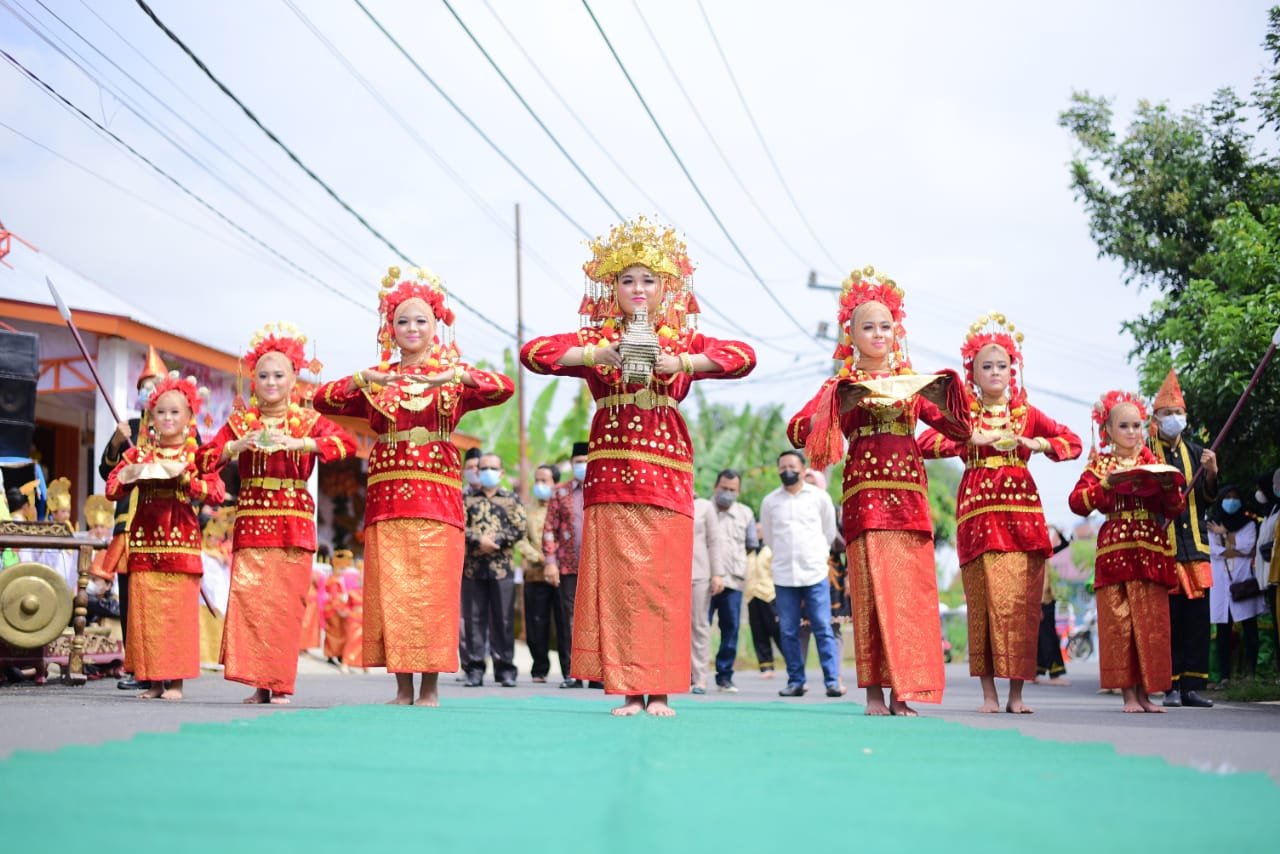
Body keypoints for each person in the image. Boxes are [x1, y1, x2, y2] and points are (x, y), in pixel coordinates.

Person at [521, 217, 756, 716]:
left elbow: (743, 357)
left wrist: (684, 365)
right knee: (622, 584)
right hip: (610, 472)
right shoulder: (596, 337)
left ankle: (662, 691)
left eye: (648, 279)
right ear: (613, 288)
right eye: (627, 279)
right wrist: (596, 352)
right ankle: (629, 691)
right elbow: (533, 354)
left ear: (667, 285)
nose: (638, 289)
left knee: (663, 583)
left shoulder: (681, 342)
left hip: (667, 470)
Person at [314, 266, 514, 706]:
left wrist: (456, 376)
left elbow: (504, 388)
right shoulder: (377, 381)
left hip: (438, 501)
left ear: (435, 326)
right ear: (391, 328)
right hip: (387, 499)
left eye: (421, 320)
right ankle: (402, 688)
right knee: (394, 591)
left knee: (432, 594)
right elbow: (322, 399)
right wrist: (367, 380)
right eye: (403, 320)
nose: (412, 328)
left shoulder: (449, 382)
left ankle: (430, 688)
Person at [788, 267, 971, 716]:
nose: (878, 334)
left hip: (909, 500)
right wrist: (840, 405)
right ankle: (873, 693)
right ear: (850, 334)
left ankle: (904, 692)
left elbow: (959, 430)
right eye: (867, 327)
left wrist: (947, 391)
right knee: (870, 595)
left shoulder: (911, 384)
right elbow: (798, 430)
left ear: (897, 331)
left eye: (885, 326)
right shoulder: (840, 385)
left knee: (910, 595)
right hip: (865, 501)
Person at [920, 313, 1082, 714]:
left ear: (1014, 370)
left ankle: (1016, 696)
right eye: (985, 366)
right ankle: (989, 695)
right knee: (984, 604)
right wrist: (965, 436)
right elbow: (924, 440)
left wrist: (1036, 443)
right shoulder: (966, 414)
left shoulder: (1027, 414)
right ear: (971, 373)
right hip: (977, 515)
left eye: (1002, 365)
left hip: (1022, 518)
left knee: (1022, 607)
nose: (995, 372)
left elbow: (1073, 443)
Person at [197, 322, 356, 703]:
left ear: (293, 377)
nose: (271, 382)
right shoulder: (241, 422)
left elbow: (346, 443)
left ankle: (280, 684)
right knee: (252, 602)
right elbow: (203, 459)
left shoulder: (306, 420)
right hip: (252, 519)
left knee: (285, 605)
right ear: (253, 379)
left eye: (278, 375)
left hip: (294, 520)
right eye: (263, 375)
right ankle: (258, 684)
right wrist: (236, 447)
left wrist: (302, 443)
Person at [104, 372, 226, 700]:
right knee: (146, 612)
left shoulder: (195, 457)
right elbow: (112, 488)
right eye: (161, 412)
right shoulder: (139, 454)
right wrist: (130, 476)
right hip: (143, 543)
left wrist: (188, 481)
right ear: (151, 417)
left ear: (189, 417)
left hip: (182, 542)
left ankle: (176, 682)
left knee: (177, 613)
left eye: (175, 412)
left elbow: (216, 491)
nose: (168, 418)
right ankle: (154, 680)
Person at [1068, 390, 1185, 713]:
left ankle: (1147, 694)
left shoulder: (1153, 462)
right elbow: (1077, 503)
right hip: (1115, 551)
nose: (1132, 432)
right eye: (1124, 426)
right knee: (1119, 624)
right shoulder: (1100, 465)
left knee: (1151, 623)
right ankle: (1128, 696)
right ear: (1108, 431)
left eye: (1136, 425)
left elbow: (1175, 508)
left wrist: (1167, 488)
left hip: (1149, 550)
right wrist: (1105, 485)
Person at [1148, 370, 1218, 708]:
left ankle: (1192, 686)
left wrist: (1213, 474)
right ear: (1156, 418)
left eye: (1178, 413)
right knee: (1169, 620)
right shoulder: (1148, 454)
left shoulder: (1198, 453)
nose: (1173, 419)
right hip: (1165, 548)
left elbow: (1208, 499)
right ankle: (1170, 685)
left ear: (1185, 417)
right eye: (1167, 414)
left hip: (1197, 549)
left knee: (1196, 620)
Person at [98, 345, 166, 691]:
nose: (150, 391)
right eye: (146, 385)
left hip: (166, 528)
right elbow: (105, 472)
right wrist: (115, 441)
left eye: (156, 384)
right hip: (129, 525)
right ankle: (134, 667)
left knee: (162, 598)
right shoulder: (131, 427)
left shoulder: (179, 428)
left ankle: (166, 666)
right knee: (129, 599)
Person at [758, 450, 841, 698]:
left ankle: (832, 681)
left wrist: (816, 555)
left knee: (823, 627)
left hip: (814, 572)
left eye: (792, 466)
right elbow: (770, 537)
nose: (787, 471)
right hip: (784, 575)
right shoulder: (770, 501)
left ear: (804, 469)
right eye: (782, 467)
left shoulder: (819, 497)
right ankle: (796, 681)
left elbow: (828, 532)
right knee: (788, 630)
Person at [461, 453, 526, 687]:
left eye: (492, 467)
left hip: (502, 569)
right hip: (472, 569)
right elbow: (459, 526)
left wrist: (496, 539)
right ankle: (474, 669)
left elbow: (520, 527)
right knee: (473, 620)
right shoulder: (466, 500)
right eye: (483, 467)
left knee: (504, 619)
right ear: (477, 472)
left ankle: (505, 669)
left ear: (501, 473)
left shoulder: (511, 499)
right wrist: (479, 541)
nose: (487, 471)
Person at [1207, 486, 1265, 682]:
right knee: (1223, 632)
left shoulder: (1248, 523)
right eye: (1228, 497)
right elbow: (1213, 551)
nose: (1231, 501)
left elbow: (1248, 546)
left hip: (1242, 581)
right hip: (1221, 584)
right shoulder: (1211, 523)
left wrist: (1224, 534)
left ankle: (1252, 674)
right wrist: (1233, 545)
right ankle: (1225, 677)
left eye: (1235, 497)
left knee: (1250, 630)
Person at [543, 441, 589, 688]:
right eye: (578, 462)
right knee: (568, 618)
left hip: (598, 566)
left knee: (596, 618)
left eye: (586, 461)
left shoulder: (602, 490)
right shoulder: (560, 492)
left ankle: (596, 674)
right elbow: (549, 527)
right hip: (567, 566)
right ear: (571, 464)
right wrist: (550, 562)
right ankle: (572, 673)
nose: (582, 466)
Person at [707, 469, 756, 692]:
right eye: (723, 488)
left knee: (731, 629)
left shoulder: (746, 514)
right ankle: (691, 675)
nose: (727, 493)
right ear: (715, 487)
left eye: (732, 490)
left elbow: (750, 545)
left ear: (739, 491)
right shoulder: (702, 510)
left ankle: (724, 677)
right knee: (698, 629)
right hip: (703, 581)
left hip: (733, 581)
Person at [517, 463, 563, 684]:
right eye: (537, 480)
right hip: (535, 573)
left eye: (545, 480)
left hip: (561, 574)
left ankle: (570, 670)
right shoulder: (528, 509)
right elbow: (520, 539)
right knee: (536, 622)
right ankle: (540, 668)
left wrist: (556, 560)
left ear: (555, 482)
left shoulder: (564, 506)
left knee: (564, 621)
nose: (540, 485)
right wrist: (542, 558)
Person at [689, 494, 726, 694]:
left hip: (699, 573)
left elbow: (714, 541)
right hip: (670, 573)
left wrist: (717, 573)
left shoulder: (704, 506)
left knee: (699, 625)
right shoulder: (667, 500)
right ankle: (677, 677)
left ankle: (700, 678)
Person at [1034, 527, 1072, 686]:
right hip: (1041, 603)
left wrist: (1057, 529)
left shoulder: (1044, 553)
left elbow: (1064, 544)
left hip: (1047, 601)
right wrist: (1038, 606)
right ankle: (1054, 674)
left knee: (1043, 639)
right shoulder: (1036, 555)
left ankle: (1036, 672)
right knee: (1048, 639)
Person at [743, 522, 781, 676]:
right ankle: (766, 666)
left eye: (759, 530)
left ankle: (794, 661)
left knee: (777, 629)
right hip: (752, 595)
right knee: (758, 631)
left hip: (769, 594)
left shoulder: (770, 550)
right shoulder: (749, 552)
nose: (757, 533)